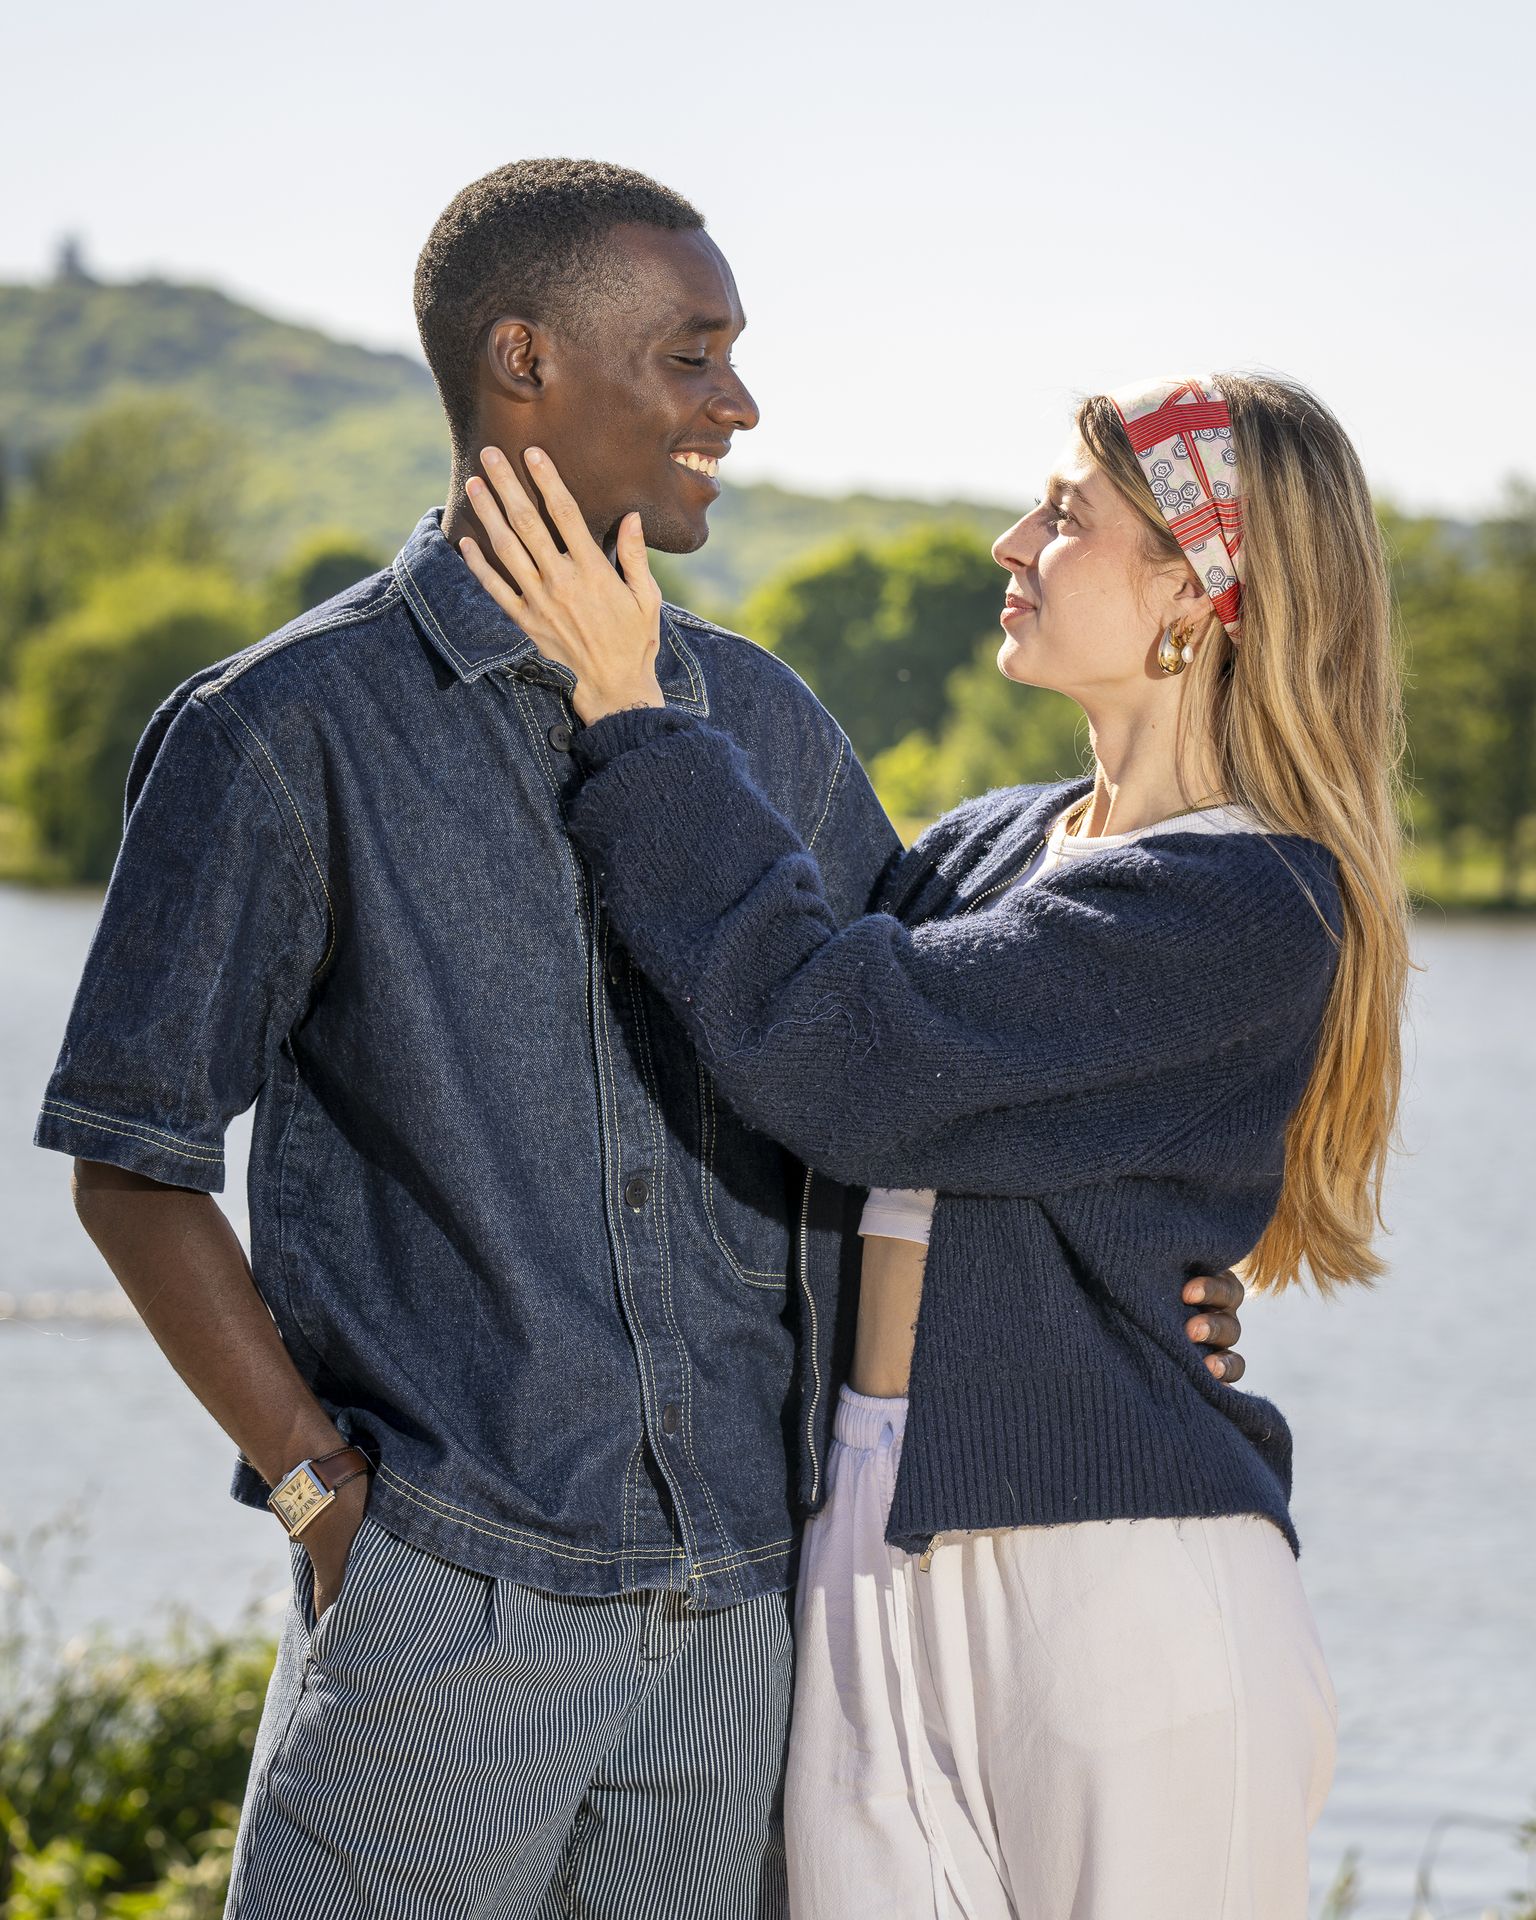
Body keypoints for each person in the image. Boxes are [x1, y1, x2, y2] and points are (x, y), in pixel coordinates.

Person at [35, 159, 1244, 1920]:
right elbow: (130, 1163)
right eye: (694, 357)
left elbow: (928, 1067)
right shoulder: (278, 733)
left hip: (750, 1622)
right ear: (524, 362)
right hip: (449, 1616)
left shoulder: (760, 719)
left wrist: (1173, 1271)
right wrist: (323, 1501)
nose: (738, 404)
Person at [452, 367, 1410, 1918]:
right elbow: (768, 997)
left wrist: (632, 709)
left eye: (1066, 515)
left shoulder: (1246, 901)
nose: (1007, 541)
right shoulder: (981, 851)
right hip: (870, 1541)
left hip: (1116, 1577)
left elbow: (838, 1054)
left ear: (1195, 590)